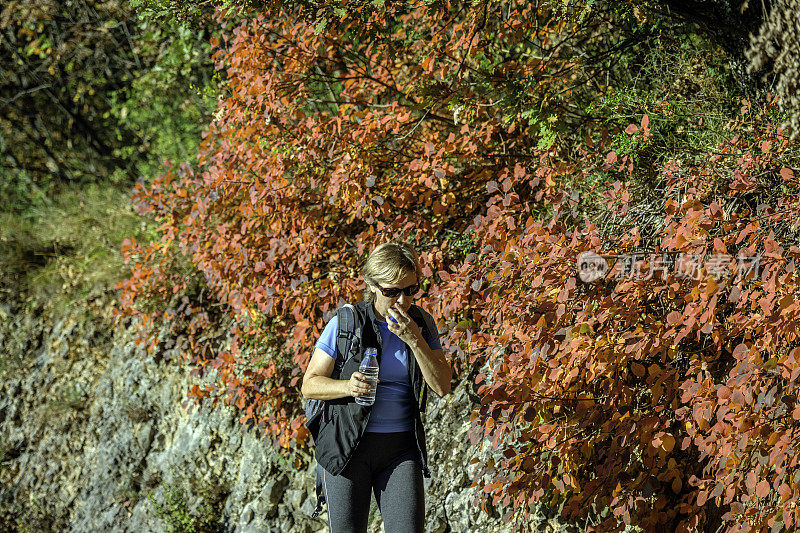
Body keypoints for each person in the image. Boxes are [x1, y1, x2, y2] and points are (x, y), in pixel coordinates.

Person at [301, 241, 452, 533]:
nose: (402, 301)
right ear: (371, 285)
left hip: (400, 449)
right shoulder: (347, 322)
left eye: (410, 290)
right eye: (391, 291)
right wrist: (348, 386)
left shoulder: (421, 324)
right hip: (347, 448)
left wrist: (415, 340)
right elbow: (310, 384)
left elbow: (442, 386)